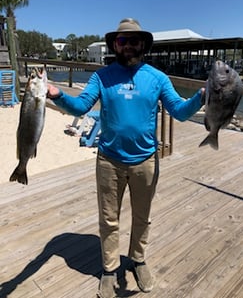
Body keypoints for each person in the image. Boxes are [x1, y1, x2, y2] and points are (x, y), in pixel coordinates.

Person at [47, 18, 205, 298]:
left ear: (143, 45)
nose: (129, 45)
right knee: (109, 220)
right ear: (114, 45)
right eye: (122, 41)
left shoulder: (158, 78)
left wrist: (201, 97)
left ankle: (138, 260)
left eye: (134, 41)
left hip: (145, 161)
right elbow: (81, 106)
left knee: (142, 218)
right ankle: (109, 269)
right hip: (109, 160)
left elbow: (179, 112)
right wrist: (59, 96)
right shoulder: (102, 77)